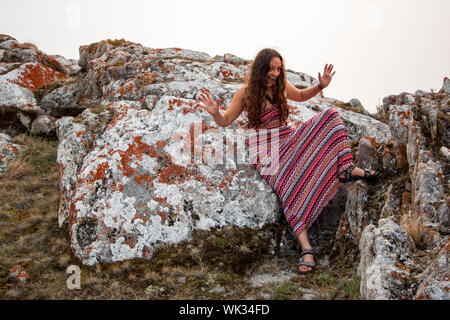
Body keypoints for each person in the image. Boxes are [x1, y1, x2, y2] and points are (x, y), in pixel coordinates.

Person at [196, 48, 378, 274]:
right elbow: (225, 120)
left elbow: (301, 96)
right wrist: (215, 112)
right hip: (265, 146)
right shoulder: (245, 93)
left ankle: (346, 168)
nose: (275, 73)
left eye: (278, 68)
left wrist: (321, 86)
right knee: (287, 187)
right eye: (271, 68)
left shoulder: (281, 85)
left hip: (287, 135)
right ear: (261, 68)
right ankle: (306, 248)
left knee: (331, 115)